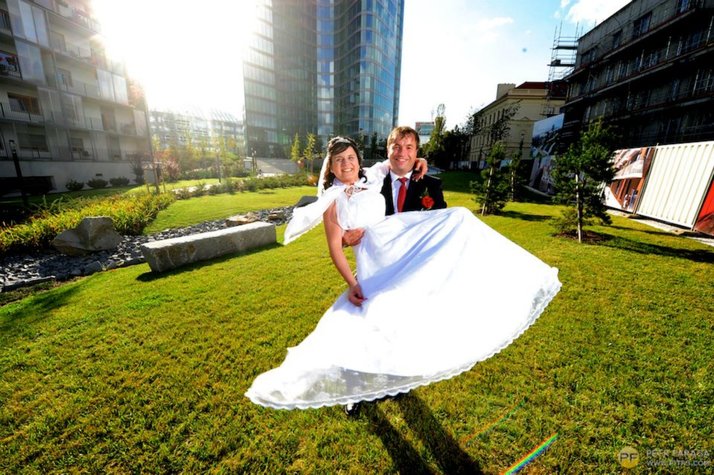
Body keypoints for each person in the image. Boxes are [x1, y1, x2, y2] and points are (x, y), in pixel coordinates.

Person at [245, 134, 561, 411]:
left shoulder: (372, 177)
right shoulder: (332, 200)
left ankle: (399, 372)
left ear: (358, 160)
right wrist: (352, 282)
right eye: (339, 161)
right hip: (373, 263)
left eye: (351, 157)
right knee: (365, 326)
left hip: (400, 246)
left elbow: (396, 161)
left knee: (460, 218)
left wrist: (418, 159)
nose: (347, 164)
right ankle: (356, 391)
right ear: (331, 168)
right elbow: (334, 247)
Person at [342, 126, 445, 247]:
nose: (402, 153)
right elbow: (347, 219)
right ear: (388, 150)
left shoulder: (432, 185)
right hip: (379, 254)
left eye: (409, 147)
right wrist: (344, 240)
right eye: (396, 147)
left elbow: (441, 227)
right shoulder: (372, 183)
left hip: (418, 254)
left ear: (416, 151)